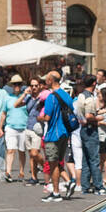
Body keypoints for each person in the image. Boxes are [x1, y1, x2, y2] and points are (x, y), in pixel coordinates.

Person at [37, 70, 76, 202]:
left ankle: (56, 193)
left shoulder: (51, 97)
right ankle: (66, 184)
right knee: (58, 162)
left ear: (50, 81)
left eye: (46, 79)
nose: (45, 82)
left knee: (52, 164)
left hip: (53, 134)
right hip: (65, 133)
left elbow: (47, 117)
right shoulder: (66, 95)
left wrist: (39, 118)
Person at [71, 75, 103, 194]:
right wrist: (97, 118)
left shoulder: (80, 95)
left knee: (85, 159)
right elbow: (89, 116)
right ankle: (98, 186)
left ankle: (85, 185)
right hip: (90, 129)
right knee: (94, 159)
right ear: (94, 83)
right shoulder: (90, 98)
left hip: (82, 129)